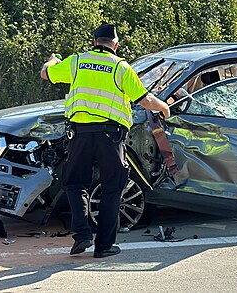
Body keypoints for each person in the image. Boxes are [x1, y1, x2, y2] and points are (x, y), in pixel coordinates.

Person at [40, 24, 170, 258]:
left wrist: (52, 61)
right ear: (116, 45)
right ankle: (104, 246)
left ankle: (81, 235)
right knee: (113, 187)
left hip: (79, 134)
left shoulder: (77, 61)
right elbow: (146, 100)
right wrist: (164, 107)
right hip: (110, 137)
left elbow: (46, 73)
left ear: (94, 41)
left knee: (75, 183)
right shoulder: (121, 67)